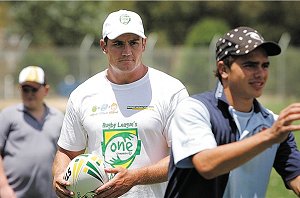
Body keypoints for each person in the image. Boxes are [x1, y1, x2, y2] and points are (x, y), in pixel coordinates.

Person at [52, 9, 189, 198]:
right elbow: (66, 152)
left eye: (133, 42)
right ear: (103, 46)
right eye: (118, 43)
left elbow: (185, 157)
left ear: (144, 44)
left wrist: (136, 177)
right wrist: (60, 174)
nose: (127, 51)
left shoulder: (171, 91)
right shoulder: (82, 95)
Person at [164, 26, 300, 198]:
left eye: (265, 65)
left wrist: (271, 135)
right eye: (250, 65)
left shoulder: (273, 123)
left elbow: (296, 177)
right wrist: (268, 137)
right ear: (223, 69)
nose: (260, 73)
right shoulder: (194, 109)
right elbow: (206, 164)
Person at [0, 66, 64, 198]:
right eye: (25, 89)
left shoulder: (58, 118)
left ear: (46, 90)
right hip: (14, 194)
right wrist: (3, 186)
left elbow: (65, 154)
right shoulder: (8, 116)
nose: (29, 93)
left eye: (34, 89)